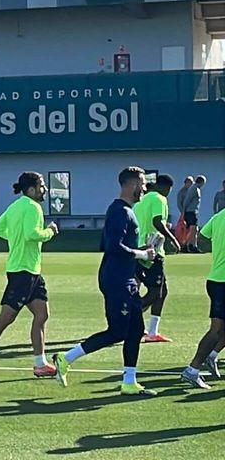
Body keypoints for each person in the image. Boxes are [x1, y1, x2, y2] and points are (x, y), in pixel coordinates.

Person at [53, 167, 158, 396]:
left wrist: (143, 253)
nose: (145, 188)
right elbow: (112, 246)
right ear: (132, 185)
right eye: (142, 184)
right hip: (116, 279)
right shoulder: (120, 211)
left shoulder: (126, 211)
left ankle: (129, 381)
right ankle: (65, 358)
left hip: (124, 277)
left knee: (136, 328)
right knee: (118, 331)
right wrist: (140, 255)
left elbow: (116, 247)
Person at [0, 172, 59, 381]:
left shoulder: (15, 206)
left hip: (31, 270)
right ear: (30, 190)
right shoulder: (33, 207)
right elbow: (32, 234)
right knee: (7, 317)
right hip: (23, 271)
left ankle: (39, 364)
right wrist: (50, 231)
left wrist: (15, 238)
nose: (43, 189)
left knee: (42, 314)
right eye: (41, 186)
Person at [133, 175, 182, 343]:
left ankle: (152, 331)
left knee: (161, 292)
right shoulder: (160, 199)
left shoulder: (142, 199)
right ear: (166, 187)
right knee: (156, 293)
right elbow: (156, 221)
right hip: (152, 252)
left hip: (139, 249)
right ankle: (130, 318)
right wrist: (172, 237)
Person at [180, 207, 225, 388]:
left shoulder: (219, 216)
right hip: (223, 282)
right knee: (216, 329)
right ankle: (192, 369)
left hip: (216, 279)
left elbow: (204, 240)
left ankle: (211, 356)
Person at [182, 176, 206, 253]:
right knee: (192, 229)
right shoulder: (193, 189)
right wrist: (183, 211)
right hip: (190, 212)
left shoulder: (196, 189)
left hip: (194, 212)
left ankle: (193, 246)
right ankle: (185, 245)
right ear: (201, 182)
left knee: (195, 230)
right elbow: (187, 200)